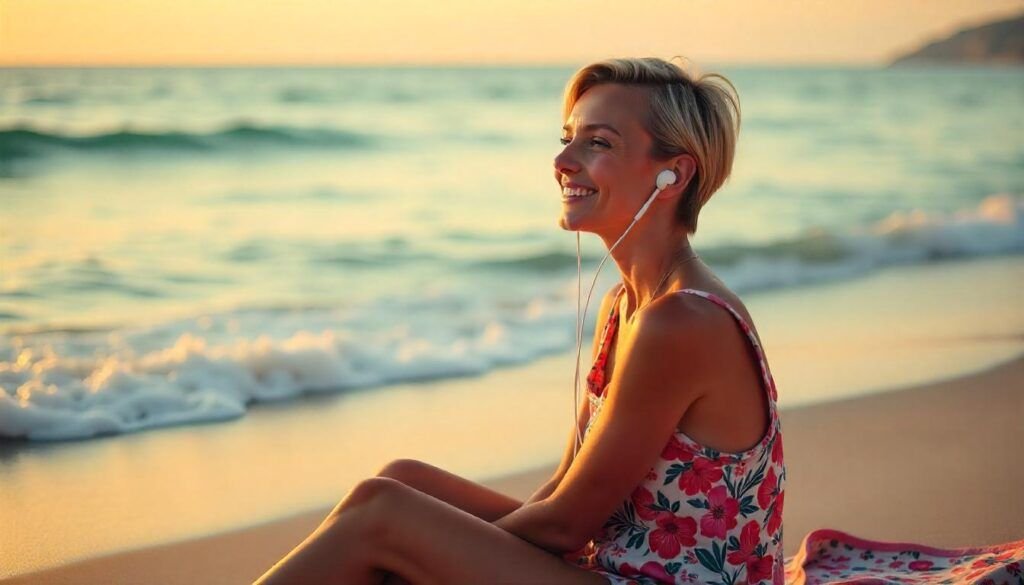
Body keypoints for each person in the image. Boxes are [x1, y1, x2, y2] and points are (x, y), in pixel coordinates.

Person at [253, 56, 785, 585]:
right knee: (402, 481)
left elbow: (568, 525)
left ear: (674, 175)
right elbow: (563, 486)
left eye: (597, 143)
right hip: (620, 563)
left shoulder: (682, 322)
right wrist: (446, 551)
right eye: (567, 138)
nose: (563, 161)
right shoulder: (628, 304)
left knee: (383, 513)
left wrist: (437, 557)